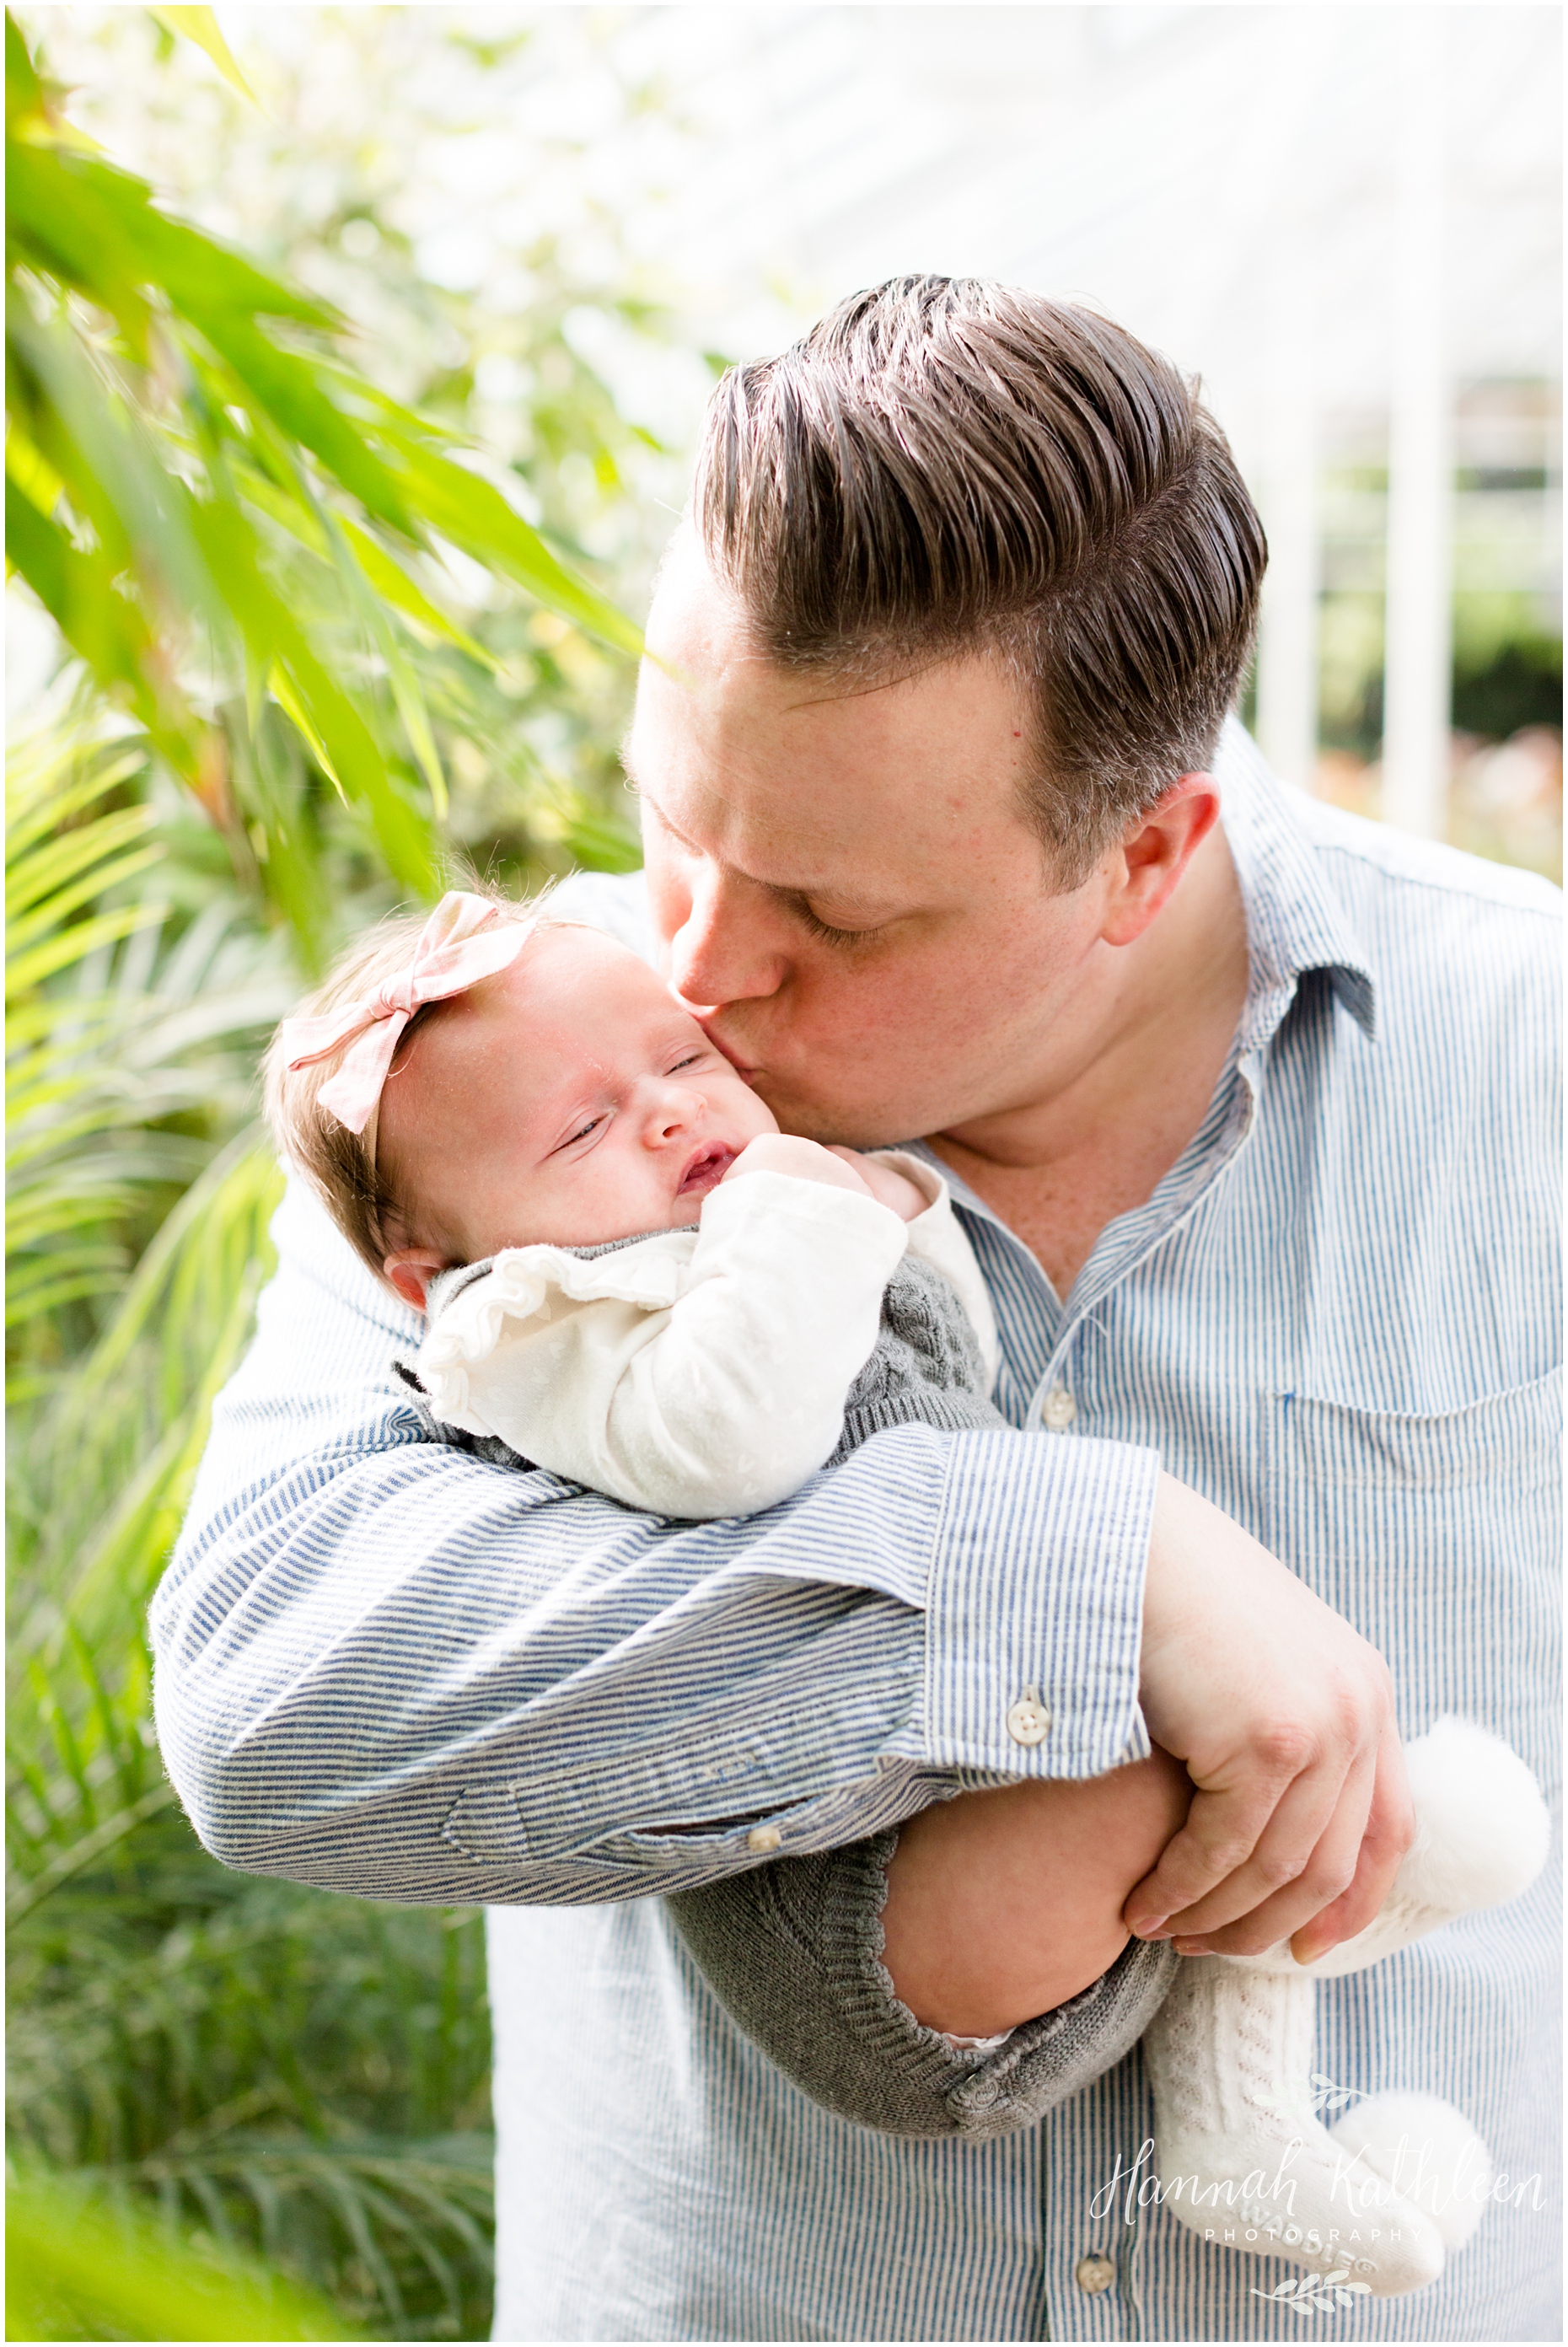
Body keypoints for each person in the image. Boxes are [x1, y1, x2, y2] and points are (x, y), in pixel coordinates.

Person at [153, 278, 1560, 2341]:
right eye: (673, 821)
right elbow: (277, 1708)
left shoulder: (1528, 1065)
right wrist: (1095, 1572)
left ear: (1142, 854)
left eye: (838, 912)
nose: (699, 966)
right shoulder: (505, 1089)